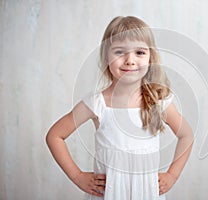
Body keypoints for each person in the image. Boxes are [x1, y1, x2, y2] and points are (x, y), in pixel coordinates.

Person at [46, 16, 194, 200]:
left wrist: (172, 175)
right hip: (109, 194)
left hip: (146, 194)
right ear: (106, 56)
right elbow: (55, 135)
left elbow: (186, 135)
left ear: (151, 57)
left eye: (139, 52)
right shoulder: (97, 103)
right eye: (119, 52)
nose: (130, 60)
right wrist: (77, 176)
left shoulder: (158, 101)